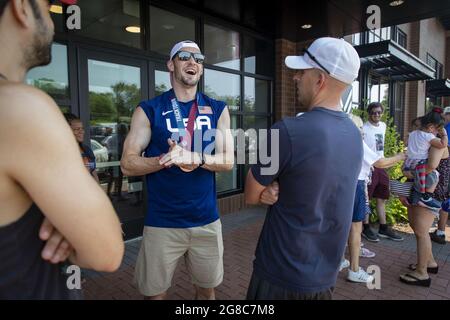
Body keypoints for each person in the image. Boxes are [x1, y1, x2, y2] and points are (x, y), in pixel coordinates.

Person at [0, 0, 124, 299]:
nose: (55, 23)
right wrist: (70, 225)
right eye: (46, 6)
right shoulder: (19, 107)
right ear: (22, 8)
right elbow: (106, 252)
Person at [244, 37, 363, 300]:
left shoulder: (285, 131)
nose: (295, 78)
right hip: (324, 278)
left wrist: (272, 188)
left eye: (302, 72)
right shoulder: (355, 135)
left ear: (320, 79)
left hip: (280, 275)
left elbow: (251, 194)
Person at [120, 40, 234, 300]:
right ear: (171, 65)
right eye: (184, 56)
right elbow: (128, 164)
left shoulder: (218, 109)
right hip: (162, 223)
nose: (192, 61)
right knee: (154, 294)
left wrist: (196, 157)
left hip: (206, 221)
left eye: (198, 58)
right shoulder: (149, 109)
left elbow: (228, 161)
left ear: (201, 69)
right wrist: (165, 158)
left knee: (206, 291)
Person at [344, 115, 405, 283]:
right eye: (361, 128)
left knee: (341, 224)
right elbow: (381, 163)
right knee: (356, 228)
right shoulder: (357, 143)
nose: (364, 131)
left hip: (341, 185)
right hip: (356, 185)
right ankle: (354, 270)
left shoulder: (338, 140)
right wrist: (401, 156)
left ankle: (339, 260)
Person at [362, 102, 404, 242]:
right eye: (374, 112)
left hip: (382, 165)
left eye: (379, 112)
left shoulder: (383, 126)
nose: (377, 115)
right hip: (369, 167)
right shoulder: (364, 128)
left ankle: (383, 227)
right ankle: (366, 227)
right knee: (366, 199)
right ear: (369, 113)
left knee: (382, 197)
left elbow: (379, 147)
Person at [403, 108, 447, 209]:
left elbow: (406, 142)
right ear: (431, 127)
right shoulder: (428, 136)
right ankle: (426, 196)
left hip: (409, 163)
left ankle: (415, 194)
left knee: (415, 179)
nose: (437, 132)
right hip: (420, 163)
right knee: (435, 175)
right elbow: (442, 144)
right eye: (438, 129)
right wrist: (444, 134)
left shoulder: (412, 134)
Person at [64, 113, 100, 183]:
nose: (81, 132)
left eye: (82, 128)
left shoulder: (87, 150)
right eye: (77, 129)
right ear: (66, 131)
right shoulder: (62, 153)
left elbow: (93, 173)